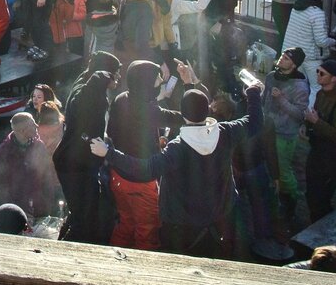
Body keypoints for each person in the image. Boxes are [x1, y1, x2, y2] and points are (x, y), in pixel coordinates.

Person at [92, 82, 263, 258]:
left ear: (184, 114)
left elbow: (146, 169)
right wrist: (253, 92)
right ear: (208, 110)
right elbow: (255, 122)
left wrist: (108, 153)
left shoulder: (177, 148)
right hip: (221, 219)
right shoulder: (227, 132)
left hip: (182, 227)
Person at [106, 59, 200, 250]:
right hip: (141, 181)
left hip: (118, 174)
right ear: (145, 82)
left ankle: (113, 258)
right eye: (157, 78)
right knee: (146, 230)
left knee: (126, 223)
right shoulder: (148, 110)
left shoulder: (122, 98)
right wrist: (188, 83)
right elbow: (186, 117)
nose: (161, 80)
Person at [54, 69, 117, 244]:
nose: (117, 80)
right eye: (114, 77)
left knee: (78, 211)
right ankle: (71, 243)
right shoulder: (94, 105)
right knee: (83, 213)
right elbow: (89, 135)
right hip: (76, 167)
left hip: (70, 162)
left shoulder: (83, 96)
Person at [264, 47, 310, 220]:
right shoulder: (271, 77)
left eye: (287, 58)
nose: (282, 59)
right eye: (282, 55)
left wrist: (281, 99)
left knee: (283, 171)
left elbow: (300, 114)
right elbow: (264, 101)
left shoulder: (299, 85)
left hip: (285, 134)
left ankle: (291, 200)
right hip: (267, 130)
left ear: (294, 65)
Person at [303, 59, 336, 220]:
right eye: (317, 71)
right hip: (317, 151)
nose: (318, 75)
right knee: (311, 192)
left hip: (333, 157)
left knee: (321, 197)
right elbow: (314, 116)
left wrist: (317, 122)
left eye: (322, 73)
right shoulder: (320, 94)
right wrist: (308, 126)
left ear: (334, 78)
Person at [0, 112, 55, 219]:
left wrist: (47, 206)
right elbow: (1, 187)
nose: (37, 126)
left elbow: (47, 178)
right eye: (32, 124)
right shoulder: (3, 153)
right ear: (23, 131)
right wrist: (17, 213)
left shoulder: (39, 147)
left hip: (39, 210)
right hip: (16, 214)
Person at [281, 0, 335, 89]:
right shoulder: (317, 13)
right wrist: (333, 41)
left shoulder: (296, 8)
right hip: (311, 56)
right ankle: (310, 106)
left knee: (298, 86)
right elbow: (321, 41)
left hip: (294, 55)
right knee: (316, 87)